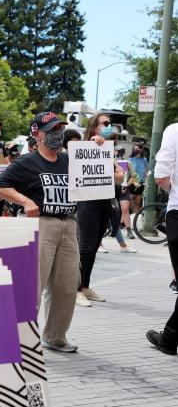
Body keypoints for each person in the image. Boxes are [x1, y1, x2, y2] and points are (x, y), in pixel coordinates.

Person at [0, 112, 80, 352]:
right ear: (37, 134)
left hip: (69, 225)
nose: (57, 134)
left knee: (66, 286)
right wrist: (25, 201)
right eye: (51, 130)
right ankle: (21, 338)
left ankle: (55, 336)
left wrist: (99, 147)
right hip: (41, 225)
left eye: (60, 129)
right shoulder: (26, 162)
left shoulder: (69, 160)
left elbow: (106, 175)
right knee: (32, 286)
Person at [73, 113, 123, 308]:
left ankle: (85, 286)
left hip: (104, 202)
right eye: (105, 123)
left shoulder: (107, 150)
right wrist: (97, 146)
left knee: (94, 247)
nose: (109, 126)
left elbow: (120, 176)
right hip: (88, 203)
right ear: (95, 127)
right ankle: (76, 289)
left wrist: (105, 156)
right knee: (85, 247)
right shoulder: (85, 147)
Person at [146, 122, 178, 355]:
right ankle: (169, 337)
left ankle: (168, 338)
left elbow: (160, 176)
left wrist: (175, 192)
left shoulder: (174, 131)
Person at [129, 144, 148, 212]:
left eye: (137, 149)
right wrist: (134, 182)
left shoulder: (144, 159)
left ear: (141, 150)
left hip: (141, 182)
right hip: (132, 182)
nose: (136, 150)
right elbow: (127, 172)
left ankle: (135, 215)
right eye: (134, 149)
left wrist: (147, 176)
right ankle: (130, 214)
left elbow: (146, 171)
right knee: (131, 199)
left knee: (138, 201)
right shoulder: (130, 159)